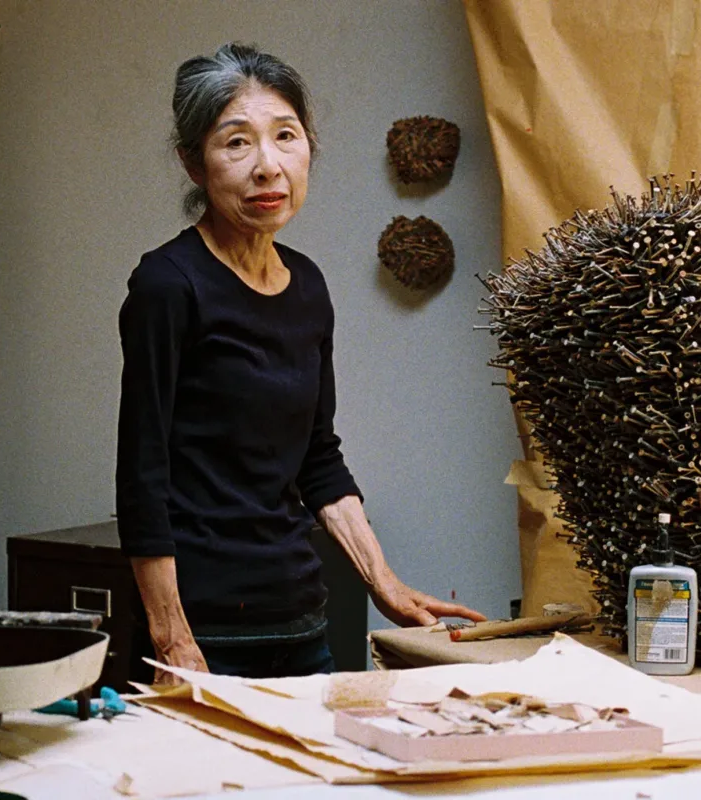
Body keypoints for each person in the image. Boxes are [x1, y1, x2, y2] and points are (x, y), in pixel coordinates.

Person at [116, 42, 486, 684]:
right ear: (193, 163)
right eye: (236, 143)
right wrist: (172, 638)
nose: (268, 166)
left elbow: (318, 458)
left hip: (302, 619)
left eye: (285, 136)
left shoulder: (307, 286)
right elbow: (142, 476)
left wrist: (385, 584)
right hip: (204, 630)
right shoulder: (168, 285)